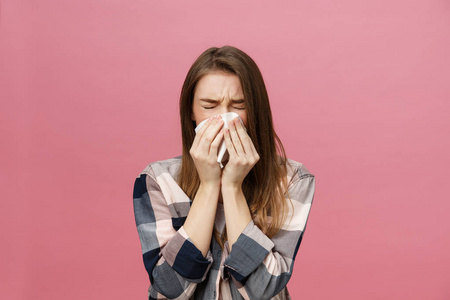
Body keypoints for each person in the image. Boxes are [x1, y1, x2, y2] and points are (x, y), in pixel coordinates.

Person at [133, 45, 316, 300]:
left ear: (254, 112)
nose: (223, 118)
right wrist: (209, 187)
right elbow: (170, 288)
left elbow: (262, 290)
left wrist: (232, 188)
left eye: (238, 105)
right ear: (191, 113)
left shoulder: (292, 180)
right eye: (210, 105)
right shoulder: (158, 180)